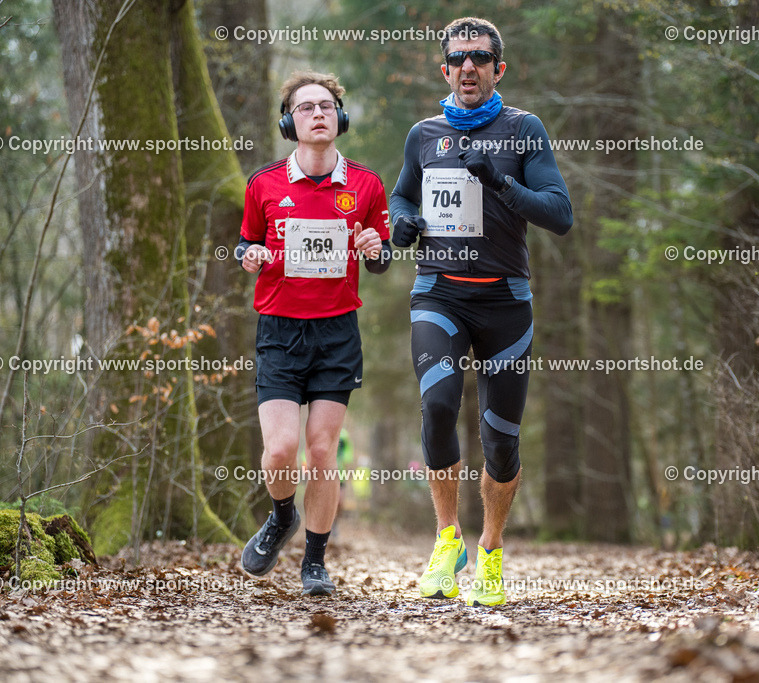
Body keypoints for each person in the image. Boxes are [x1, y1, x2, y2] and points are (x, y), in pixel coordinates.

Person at [389, 17, 573, 606]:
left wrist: (502, 184)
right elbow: (402, 194)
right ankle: (448, 541)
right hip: (439, 294)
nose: (468, 66)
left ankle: (490, 550)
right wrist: (401, 222)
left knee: (501, 439)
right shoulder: (424, 134)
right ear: (444, 70)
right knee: (439, 404)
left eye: (480, 57)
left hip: (504, 302)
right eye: (457, 59)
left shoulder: (523, 130)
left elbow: (560, 214)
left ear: (499, 68)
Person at [237, 70, 391, 596]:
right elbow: (246, 243)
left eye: (326, 105)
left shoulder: (366, 185)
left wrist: (375, 249)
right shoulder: (264, 184)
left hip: (336, 332)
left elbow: (381, 258)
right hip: (279, 330)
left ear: (340, 118)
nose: (317, 114)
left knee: (322, 452)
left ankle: (315, 562)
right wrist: (250, 256)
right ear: (289, 122)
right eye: (305, 107)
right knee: (281, 451)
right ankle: (283, 516)